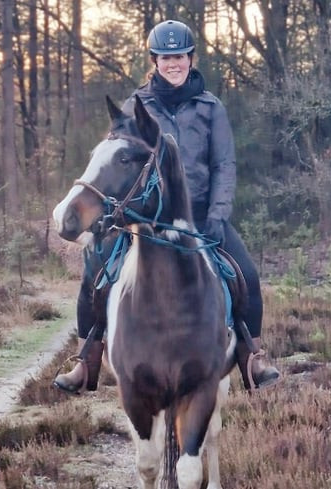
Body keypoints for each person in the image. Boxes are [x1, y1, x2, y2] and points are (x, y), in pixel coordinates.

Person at [54, 19, 280, 393]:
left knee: (247, 275)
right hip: (144, 213)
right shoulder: (136, 105)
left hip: (203, 213)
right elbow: (114, 158)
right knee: (95, 273)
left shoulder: (211, 108)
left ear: (191, 58)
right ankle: (86, 358)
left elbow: (224, 165)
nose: (173, 63)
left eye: (179, 56)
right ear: (154, 61)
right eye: (164, 57)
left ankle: (252, 357)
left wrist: (218, 217)